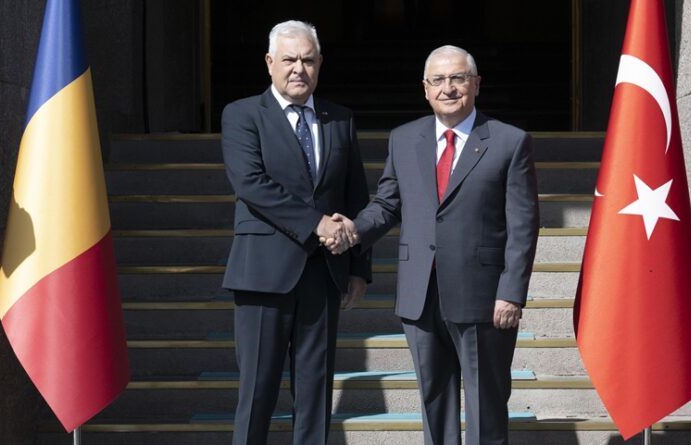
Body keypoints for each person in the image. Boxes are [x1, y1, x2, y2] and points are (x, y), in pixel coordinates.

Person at [326, 45, 540, 444]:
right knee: (434, 401)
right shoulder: (405, 138)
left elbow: (523, 224)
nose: (448, 88)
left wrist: (511, 292)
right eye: (438, 80)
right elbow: (387, 204)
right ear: (425, 89)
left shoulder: (510, 142)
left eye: (458, 78)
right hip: (420, 296)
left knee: (486, 405)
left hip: (483, 298)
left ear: (476, 84)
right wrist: (353, 228)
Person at [220, 20, 370, 445]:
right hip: (263, 275)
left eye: (308, 60)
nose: (298, 69)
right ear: (270, 62)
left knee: (315, 396)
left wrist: (358, 267)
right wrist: (316, 223)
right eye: (289, 60)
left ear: (320, 63)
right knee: (257, 394)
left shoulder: (339, 119)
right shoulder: (242, 114)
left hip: (324, 274)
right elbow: (251, 184)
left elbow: (355, 194)